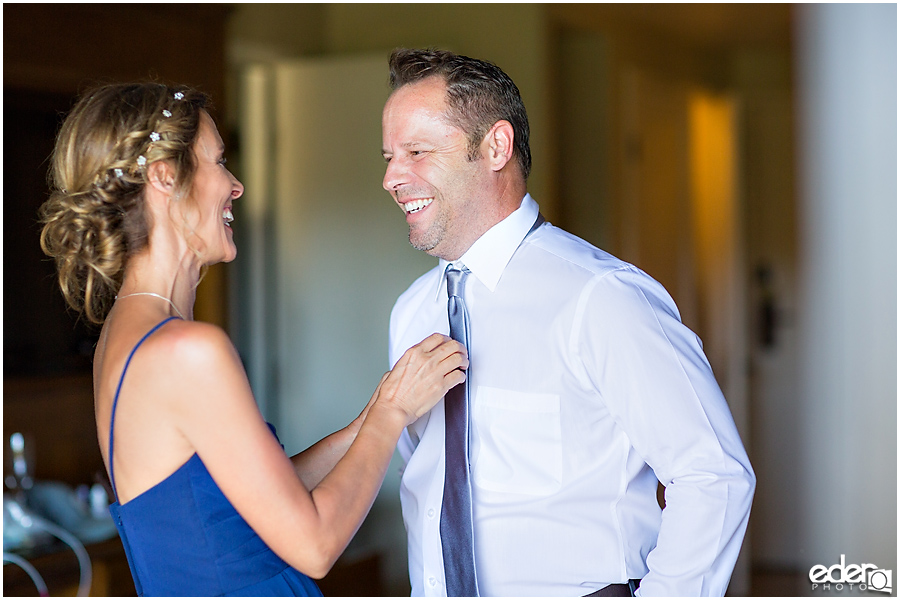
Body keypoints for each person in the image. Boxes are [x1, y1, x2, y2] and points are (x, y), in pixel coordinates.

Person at [39, 82, 468, 596]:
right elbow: (315, 544)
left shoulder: (123, 338)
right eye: (218, 161)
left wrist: (376, 412)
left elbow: (239, 500)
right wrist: (392, 415)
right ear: (164, 176)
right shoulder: (188, 352)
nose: (236, 185)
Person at [382, 48, 755, 597]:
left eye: (416, 151)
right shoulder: (410, 312)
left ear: (496, 147)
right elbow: (424, 479)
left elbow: (714, 475)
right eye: (388, 156)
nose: (392, 177)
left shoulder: (602, 298)